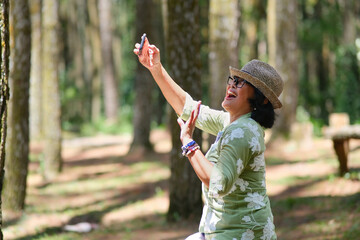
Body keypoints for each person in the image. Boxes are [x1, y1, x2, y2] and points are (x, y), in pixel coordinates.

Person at [133, 36, 283, 240]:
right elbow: (188, 108)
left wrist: (189, 144)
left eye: (241, 83)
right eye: (233, 80)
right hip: (220, 232)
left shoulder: (243, 131)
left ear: (261, 98)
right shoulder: (234, 123)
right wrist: (156, 68)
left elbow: (219, 183)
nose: (232, 85)